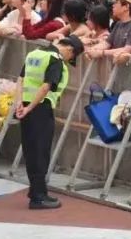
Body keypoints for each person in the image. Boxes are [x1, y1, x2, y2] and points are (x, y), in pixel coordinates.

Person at [15, 35, 84, 208]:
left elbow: (20, 79)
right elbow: (46, 87)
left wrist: (20, 104)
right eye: (72, 57)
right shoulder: (55, 60)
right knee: (41, 152)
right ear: (69, 50)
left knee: (31, 151)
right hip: (40, 109)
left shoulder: (35, 54)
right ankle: (39, 197)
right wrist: (31, 107)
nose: (69, 61)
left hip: (24, 106)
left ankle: (36, 191)